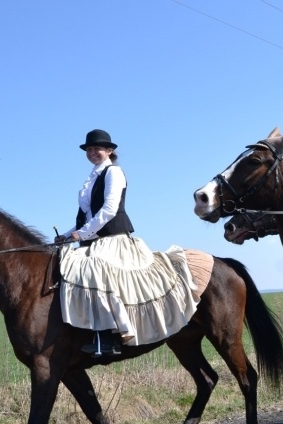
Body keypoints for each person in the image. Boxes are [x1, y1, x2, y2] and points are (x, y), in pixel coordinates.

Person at [55, 129, 199, 356]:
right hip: (93, 240)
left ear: (109, 151)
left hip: (113, 239)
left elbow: (109, 210)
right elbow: (88, 216)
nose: (92, 153)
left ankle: (109, 339)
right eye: (89, 149)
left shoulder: (114, 172)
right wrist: (66, 235)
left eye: (97, 149)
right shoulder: (92, 178)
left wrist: (82, 235)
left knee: (96, 270)